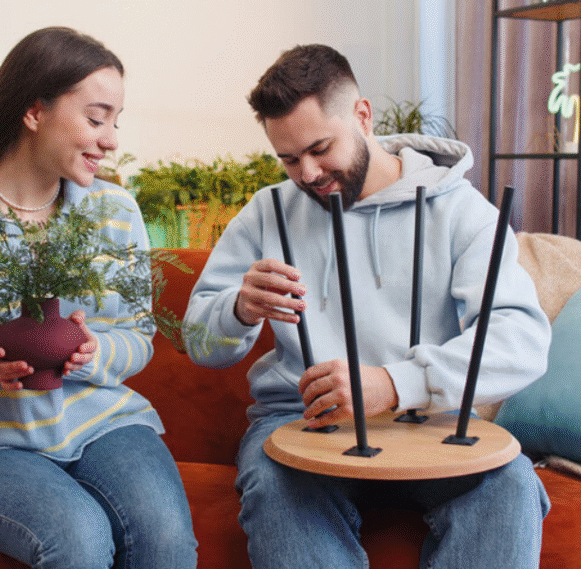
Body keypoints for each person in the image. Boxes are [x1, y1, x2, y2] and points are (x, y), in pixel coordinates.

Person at [183, 44, 552, 568]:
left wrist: (395, 384)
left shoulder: (461, 210)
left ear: (362, 115)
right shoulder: (268, 212)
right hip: (301, 419)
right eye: (288, 159)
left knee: (509, 485)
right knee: (276, 486)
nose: (306, 173)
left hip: (431, 423)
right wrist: (238, 309)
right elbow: (198, 344)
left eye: (319, 148)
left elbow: (522, 341)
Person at [0, 27, 197, 569]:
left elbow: (139, 336)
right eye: (96, 118)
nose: (112, 139)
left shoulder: (115, 213)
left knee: (165, 538)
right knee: (79, 539)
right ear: (33, 112)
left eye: (117, 120)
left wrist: (95, 353)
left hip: (105, 423)